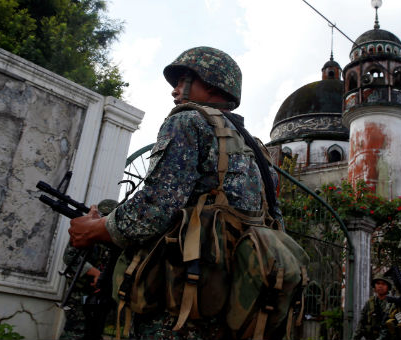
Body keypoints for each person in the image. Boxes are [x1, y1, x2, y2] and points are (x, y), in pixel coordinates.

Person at [68, 46, 280, 340]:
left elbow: (154, 210)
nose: (175, 91)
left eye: (182, 81)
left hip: (181, 307)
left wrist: (96, 228)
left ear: (209, 82)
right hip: (237, 311)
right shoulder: (260, 152)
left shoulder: (187, 120)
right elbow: (275, 222)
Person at [60, 199, 118, 340]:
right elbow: (69, 256)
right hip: (81, 293)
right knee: (76, 332)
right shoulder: (87, 232)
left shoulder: (113, 237)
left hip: (101, 294)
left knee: (95, 332)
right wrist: (95, 273)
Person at [353, 274, 394, 340]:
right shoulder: (369, 303)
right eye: (378, 283)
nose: (380, 286)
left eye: (383, 284)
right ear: (374, 286)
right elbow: (360, 325)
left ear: (388, 287)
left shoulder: (393, 304)